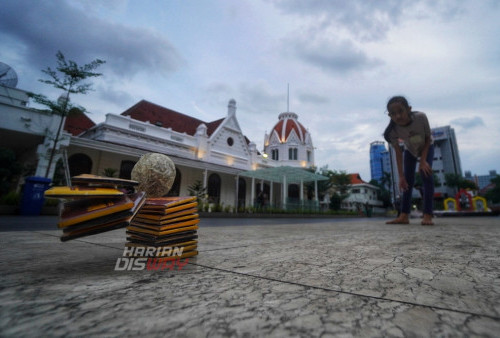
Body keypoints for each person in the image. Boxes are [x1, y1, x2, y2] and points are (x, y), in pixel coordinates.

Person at [383, 96, 435, 226]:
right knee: (407, 181)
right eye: (393, 114)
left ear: (409, 109)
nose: (398, 116)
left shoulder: (421, 117)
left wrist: (423, 161)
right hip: (410, 150)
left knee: (426, 175)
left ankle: (428, 215)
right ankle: (404, 215)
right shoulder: (392, 131)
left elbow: (428, 138)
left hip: (426, 147)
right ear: (389, 115)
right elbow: (398, 154)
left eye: (401, 111)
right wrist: (401, 176)